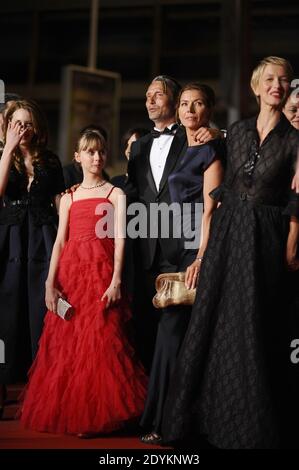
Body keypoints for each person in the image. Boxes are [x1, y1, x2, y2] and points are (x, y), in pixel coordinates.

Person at [162, 56, 299, 449]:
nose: (278, 84)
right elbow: (216, 185)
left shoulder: (295, 141)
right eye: (270, 79)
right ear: (256, 87)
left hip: (266, 238)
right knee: (213, 319)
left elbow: (297, 199)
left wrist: (291, 244)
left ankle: (249, 424)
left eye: (284, 80)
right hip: (227, 232)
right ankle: (202, 420)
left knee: (253, 323)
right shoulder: (235, 132)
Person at [19, 129, 147, 436]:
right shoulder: (69, 197)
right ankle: (74, 413)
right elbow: (60, 242)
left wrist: (116, 280)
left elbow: (120, 239)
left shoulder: (115, 194)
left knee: (102, 339)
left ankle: (100, 415)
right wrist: (50, 283)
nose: (96, 157)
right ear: (78, 157)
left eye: (101, 151)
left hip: (101, 274)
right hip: (70, 274)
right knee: (68, 343)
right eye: (89, 152)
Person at [125, 75, 222, 444]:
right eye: (146, 95)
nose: (151, 100)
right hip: (148, 249)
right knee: (153, 337)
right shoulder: (139, 146)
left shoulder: (198, 137)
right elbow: (130, 191)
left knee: (177, 335)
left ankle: (169, 420)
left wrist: (219, 135)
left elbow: (214, 195)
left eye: (160, 95)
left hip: (189, 247)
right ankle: (159, 416)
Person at [0, 100, 65, 418]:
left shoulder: (50, 161)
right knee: (8, 311)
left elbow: (59, 205)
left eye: (27, 123)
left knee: (40, 312)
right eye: (16, 123)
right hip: (9, 241)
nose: (22, 129)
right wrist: (7, 148)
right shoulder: (4, 157)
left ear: (37, 126)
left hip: (42, 240)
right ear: (7, 126)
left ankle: (40, 387)